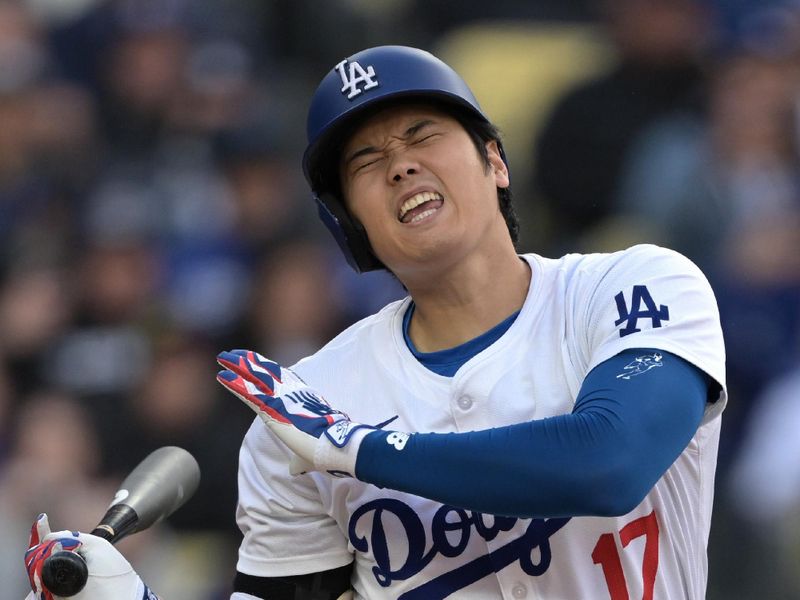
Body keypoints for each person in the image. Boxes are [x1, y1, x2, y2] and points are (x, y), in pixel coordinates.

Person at [24, 45, 726, 600]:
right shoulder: (305, 401)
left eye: (423, 133)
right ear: (350, 228)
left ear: (495, 161)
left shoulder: (633, 285)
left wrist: (359, 447)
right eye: (366, 161)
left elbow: (610, 463)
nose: (400, 166)